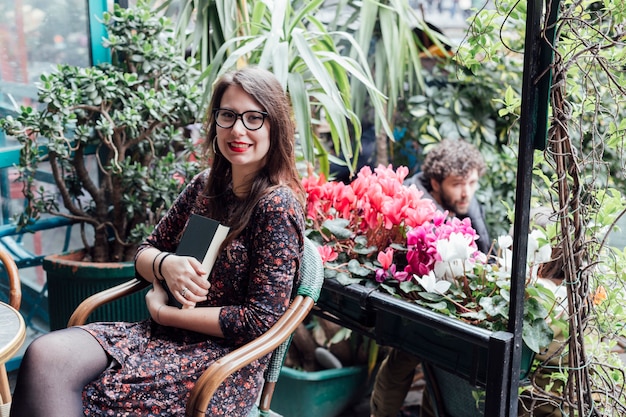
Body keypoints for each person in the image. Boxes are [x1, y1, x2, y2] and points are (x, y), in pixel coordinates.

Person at [10, 66, 307, 417]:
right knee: (44, 355)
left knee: (78, 391)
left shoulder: (276, 206)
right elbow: (144, 250)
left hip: (221, 365)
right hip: (160, 339)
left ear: (275, 126)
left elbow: (258, 321)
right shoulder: (205, 186)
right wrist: (166, 265)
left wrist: (165, 313)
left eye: (254, 118)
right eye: (227, 115)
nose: (238, 129)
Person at [370, 138, 490, 417]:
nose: (466, 193)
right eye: (458, 184)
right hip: (414, 300)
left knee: (438, 370)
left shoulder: (465, 205)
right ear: (435, 183)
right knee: (404, 359)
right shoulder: (414, 205)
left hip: (448, 303)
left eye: (472, 183)